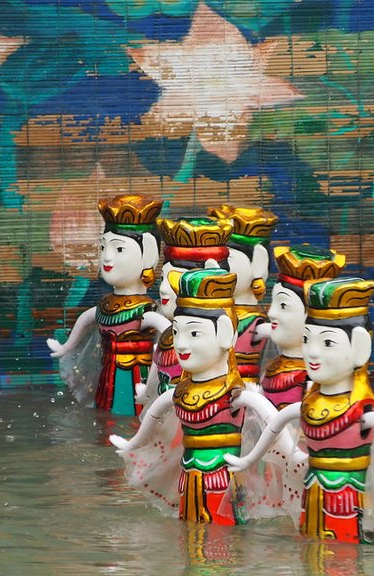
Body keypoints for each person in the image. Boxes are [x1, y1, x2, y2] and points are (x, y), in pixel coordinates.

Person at [226, 277, 374, 544]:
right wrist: (248, 459)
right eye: (307, 340)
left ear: (359, 349)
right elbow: (274, 423)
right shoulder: (309, 404)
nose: (312, 353)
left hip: (348, 503)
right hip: (311, 499)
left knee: (346, 560)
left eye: (327, 343)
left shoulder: (361, 412)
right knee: (311, 554)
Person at [110, 269, 297, 525]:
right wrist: (132, 444)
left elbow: (274, 422)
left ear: (224, 333)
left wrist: (260, 458)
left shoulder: (235, 395)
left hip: (223, 482)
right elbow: (154, 414)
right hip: (188, 477)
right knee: (189, 534)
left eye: (194, 333)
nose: (180, 344)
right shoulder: (181, 391)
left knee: (222, 537)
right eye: (177, 332)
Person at [46, 194, 161, 415]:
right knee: (105, 417)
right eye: (102, 248)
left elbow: (167, 331)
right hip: (107, 377)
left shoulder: (145, 310)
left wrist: (165, 352)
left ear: (149, 255)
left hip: (140, 378)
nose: (107, 258)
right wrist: (66, 347)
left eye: (119, 249)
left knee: (138, 417)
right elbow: (85, 319)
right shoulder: (106, 305)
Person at [134, 216, 232, 410]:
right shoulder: (169, 335)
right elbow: (157, 369)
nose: (163, 289)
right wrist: (147, 393)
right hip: (165, 412)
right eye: (163, 278)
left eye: (174, 281)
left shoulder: (217, 337)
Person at [260, 244, 346, 410]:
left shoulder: (314, 377)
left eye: (283, 305)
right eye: (273, 302)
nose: (271, 313)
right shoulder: (274, 366)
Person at [207, 205, 276, 383]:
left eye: (226, 258)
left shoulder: (253, 321)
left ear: (258, 263)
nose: (215, 265)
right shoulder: (215, 312)